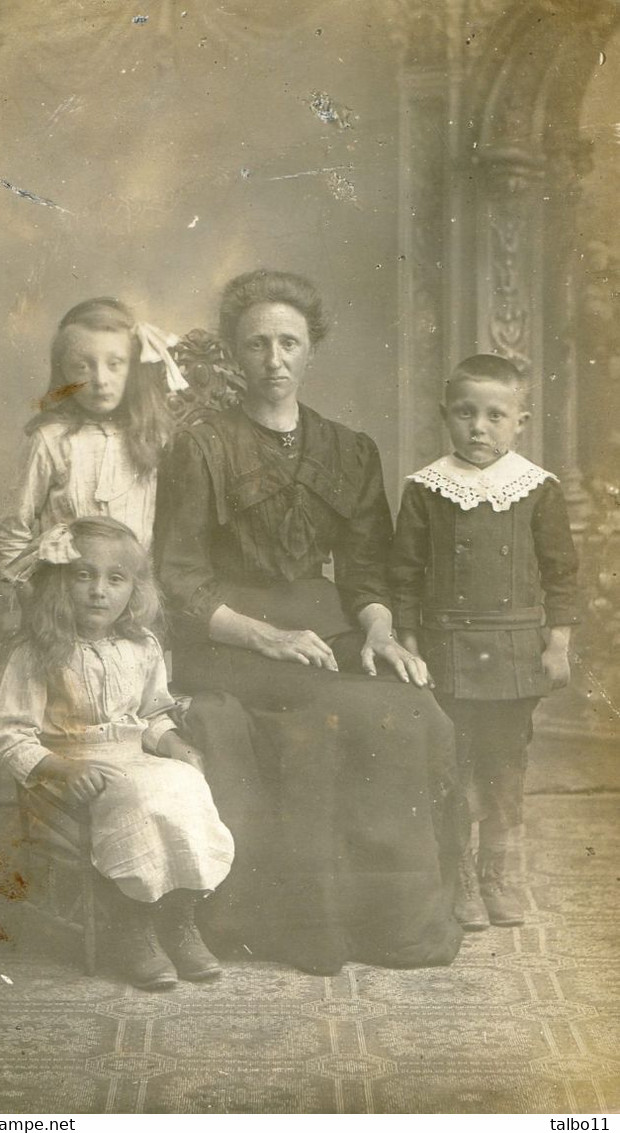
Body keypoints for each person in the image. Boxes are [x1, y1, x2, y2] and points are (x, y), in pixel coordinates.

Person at [155, 269, 463, 976]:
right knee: (336, 715)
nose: (274, 358)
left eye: (288, 341)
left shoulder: (349, 448)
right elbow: (180, 579)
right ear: (235, 353)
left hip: (325, 626)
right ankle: (314, 929)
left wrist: (381, 634)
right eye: (257, 343)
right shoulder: (200, 448)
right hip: (229, 637)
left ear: (311, 350)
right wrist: (268, 635)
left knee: (409, 707)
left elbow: (365, 569)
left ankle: (395, 922)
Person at [0, 516, 235, 990]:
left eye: (115, 579)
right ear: (61, 582)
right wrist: (60, 766)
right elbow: (9, 733)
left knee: (186, 783)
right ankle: (133, 925)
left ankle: (179, 919)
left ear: (133, 590)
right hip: (73, 767)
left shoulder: (141, 646)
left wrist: (174, 744)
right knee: (138, 797)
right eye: (84, 575)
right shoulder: (38, 651)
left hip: (134, 758)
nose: (99, 590)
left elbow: (153, 715)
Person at [390, 354, 579, 931]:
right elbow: (404, 576)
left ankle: (496, 875)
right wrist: (409, 643)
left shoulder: (537, 489)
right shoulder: (426, 490)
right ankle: (463, 880)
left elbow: (561, 573)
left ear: (520, 421)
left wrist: (558, 646)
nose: (479, 427)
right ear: (445, 414)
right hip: (448, 651)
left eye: (495, 415)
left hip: (517, 651)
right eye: (466, 412)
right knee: (453, 764)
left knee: (504, 768)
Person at [0, 297, 187, 589]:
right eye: (82, 367)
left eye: (115, 364)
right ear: (63, 372)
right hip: (62, 597)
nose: (100, 380)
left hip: (134, 597)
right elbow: (13, 529)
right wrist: (31, 601)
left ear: (132, 368)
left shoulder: (153, 436)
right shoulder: (50, 440)